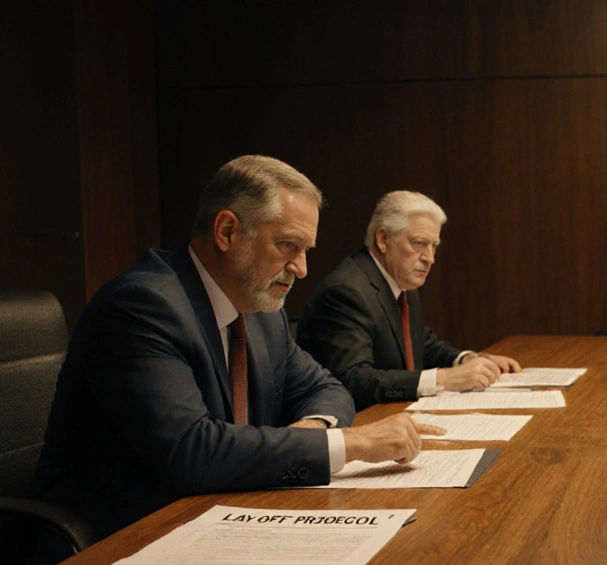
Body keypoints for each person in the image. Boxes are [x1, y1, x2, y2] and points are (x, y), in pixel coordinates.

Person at [35, 156, 440, 539]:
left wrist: (315, 430)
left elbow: (327, 389)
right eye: (288, 246)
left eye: (305, 251)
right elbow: (191, 450)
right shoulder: (143, 307)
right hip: (123, 537)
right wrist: (350, 444)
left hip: (224, 518)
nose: (301, 268)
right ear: (227, 231)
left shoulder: (263, 313)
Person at [297, 191, 521, 410]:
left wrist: (467, 360)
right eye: (419, 243)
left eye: (434, 246)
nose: (430, 258)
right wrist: (444, 378)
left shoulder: (399, 280)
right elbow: (353, 379)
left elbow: (420, 344)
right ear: (383, 239)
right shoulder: (346, 291)